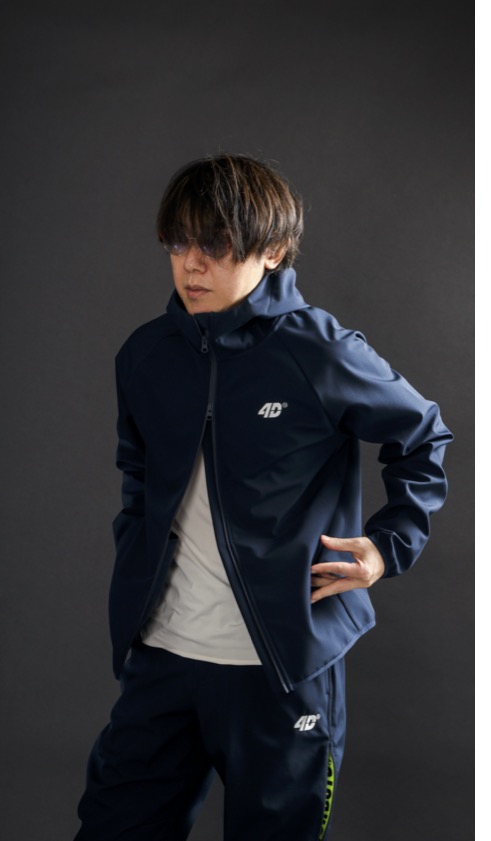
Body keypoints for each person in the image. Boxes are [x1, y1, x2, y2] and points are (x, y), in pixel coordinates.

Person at [73, 154, 452, 841]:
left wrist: (386, 546)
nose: (192, 264)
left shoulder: (317, 350)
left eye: (215, 244)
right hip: (165, 659)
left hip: (280, 669)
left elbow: (422, 434)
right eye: (178, 243)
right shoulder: (145, 356)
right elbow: (138, 475)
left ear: (272, 250)